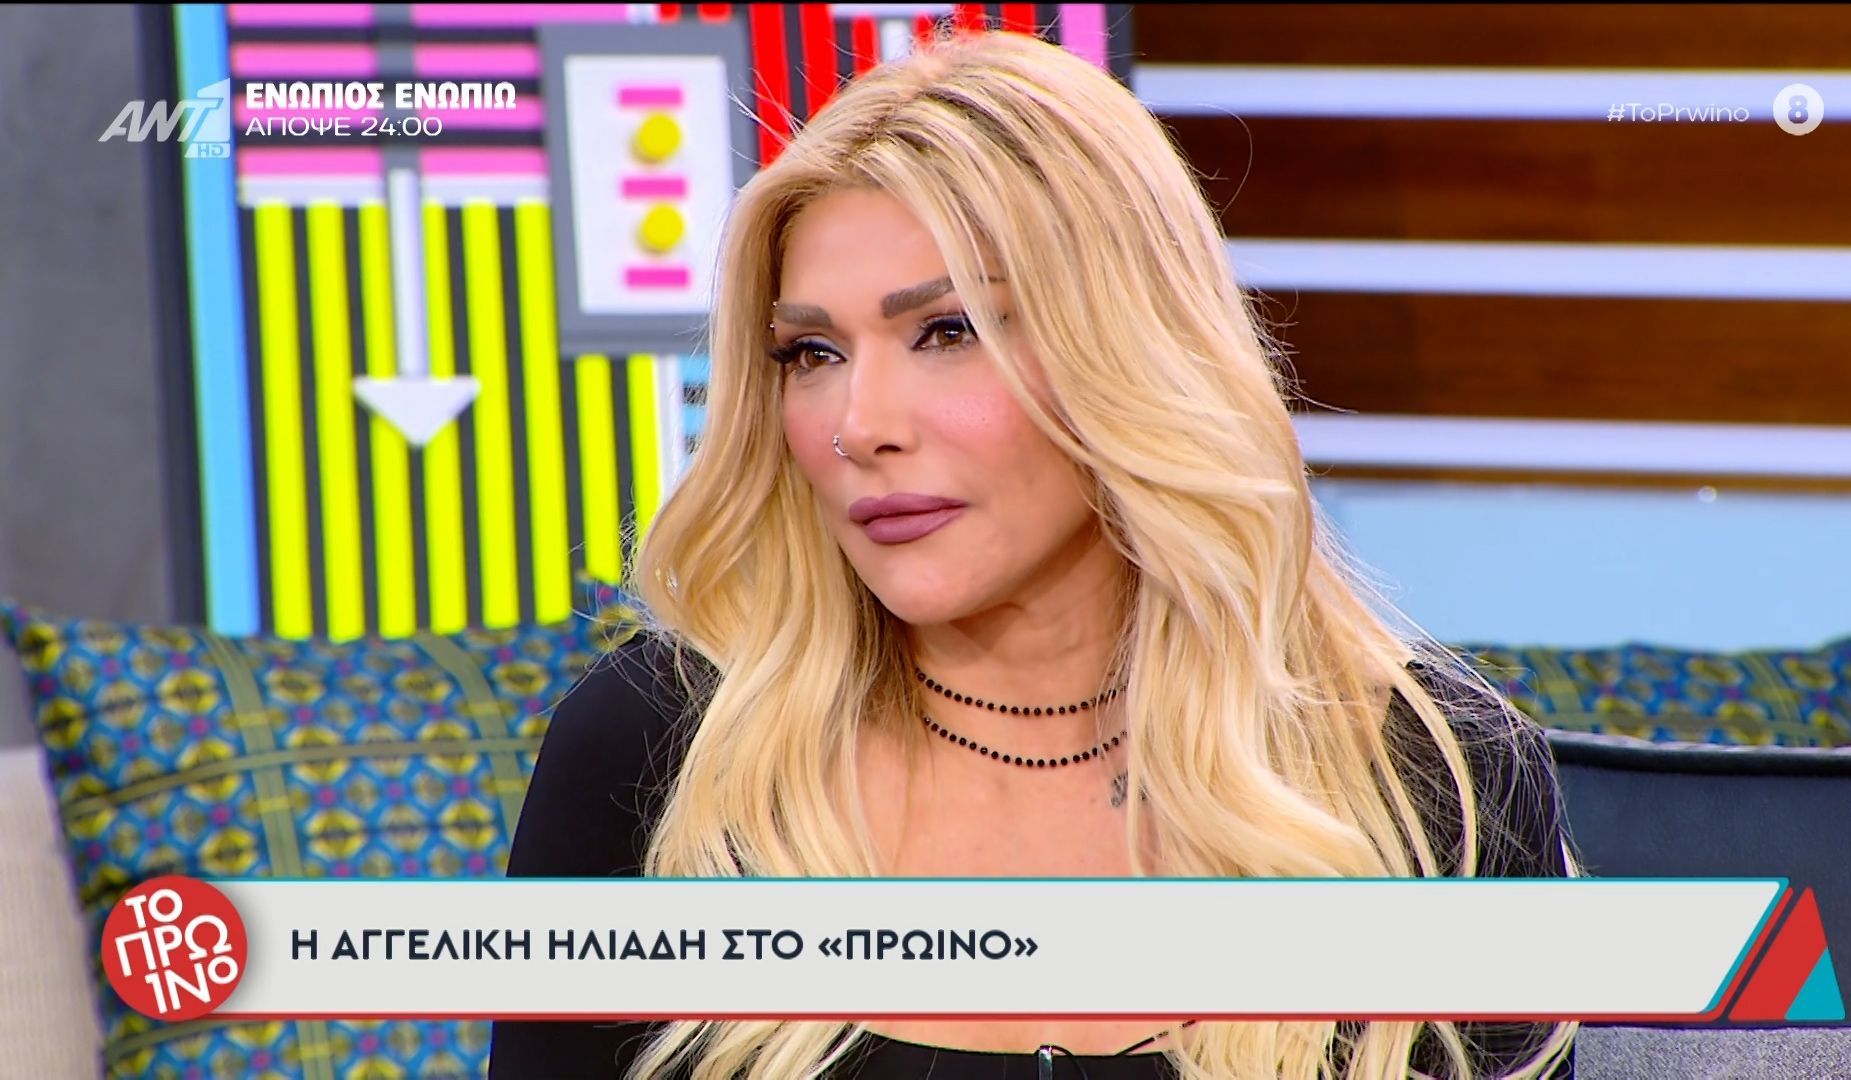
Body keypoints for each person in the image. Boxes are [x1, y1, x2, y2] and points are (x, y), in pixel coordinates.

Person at [491, 27, 1577, 1080]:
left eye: (949, 330)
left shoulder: (1434, 782)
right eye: (812, 352)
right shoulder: (657, 756)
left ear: (1132, 350)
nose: (858, 425)